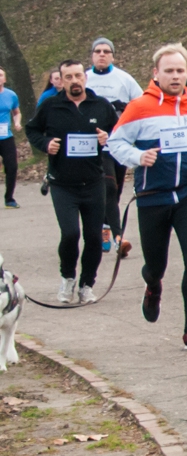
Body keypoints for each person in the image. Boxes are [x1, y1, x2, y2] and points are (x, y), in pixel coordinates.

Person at [108, 43, 187, 351]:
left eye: (180, 70)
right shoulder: (139, 107)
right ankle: (153, 285)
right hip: (152, 197)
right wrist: (137, 156)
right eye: (168, 71)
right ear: (155, 73)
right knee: (156, 265)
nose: (175, 76)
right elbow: (115, 143)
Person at [25, 60, 117, 302]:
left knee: (95, 237)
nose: (74, 81)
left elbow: (118, 131)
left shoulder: (100, 105)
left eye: (78, 76)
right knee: (70, 234)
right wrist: (46, 144)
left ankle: (87, 284)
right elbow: (32, 130)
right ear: (61, 80)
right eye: (69, 77)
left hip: (93, 182)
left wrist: (107, 137)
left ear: (85, 78)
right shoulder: (51, 106)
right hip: (62, 184)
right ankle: (67, 278)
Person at [85, 38, 143, 250]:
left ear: (113, 55)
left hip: (119, 141)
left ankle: (105, 226)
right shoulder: (84, 78)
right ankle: (119, 238)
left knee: (115, 188)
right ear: (92, 55)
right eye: (98, 51)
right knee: (108, 185)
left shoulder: (124, 79)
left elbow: (141, 104)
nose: (102, 54)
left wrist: (124, 107)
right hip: (94, 143)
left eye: (106, 51)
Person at [0, 68, 20, 208]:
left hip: (6, 136)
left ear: (4, 79)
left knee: (12, 167)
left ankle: (9, 198)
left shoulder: (11, 95)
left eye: (0, 75)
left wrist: (17, 122)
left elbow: (16, 112)